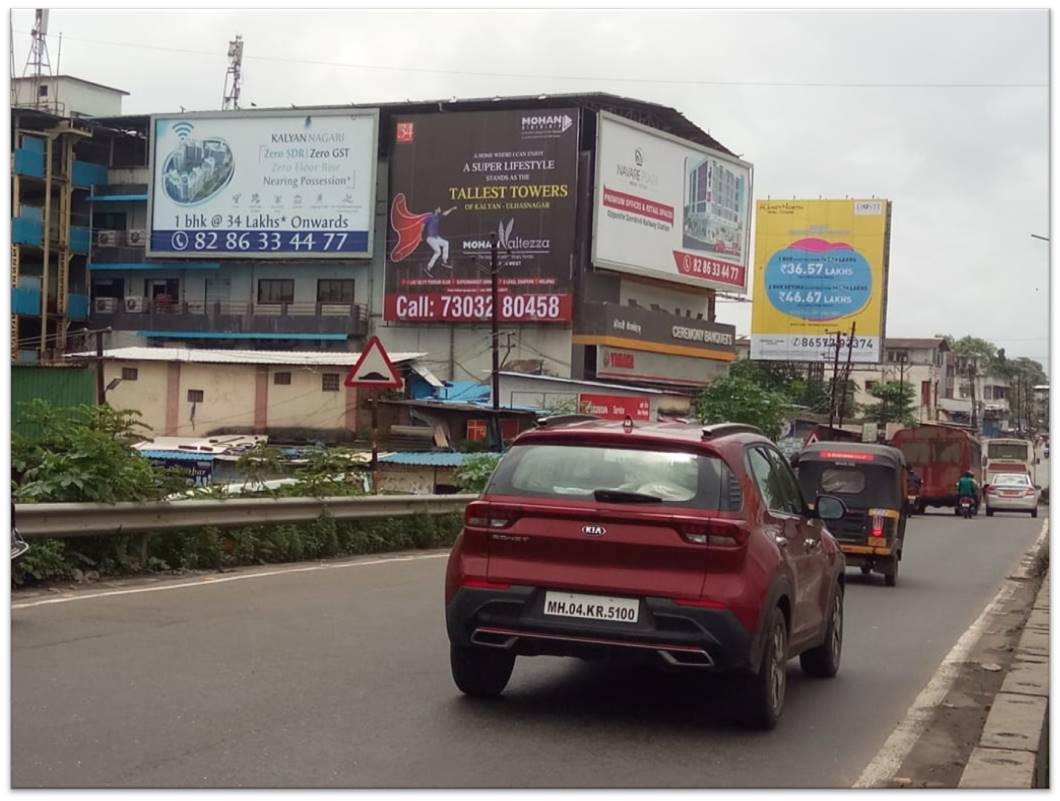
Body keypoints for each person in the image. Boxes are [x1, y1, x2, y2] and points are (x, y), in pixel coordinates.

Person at [424, 206, 457, 272]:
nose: (440, 209)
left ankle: (444, 261)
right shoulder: (430, 216)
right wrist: (419, 235)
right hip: (430, 238)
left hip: (436, 238)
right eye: (439, 208)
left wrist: (451, 209)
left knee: (446, 243)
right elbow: (423, 224)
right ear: (436, 209)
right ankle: (429, 266)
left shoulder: (438, 217)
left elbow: (445, 213)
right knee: (438, 251)